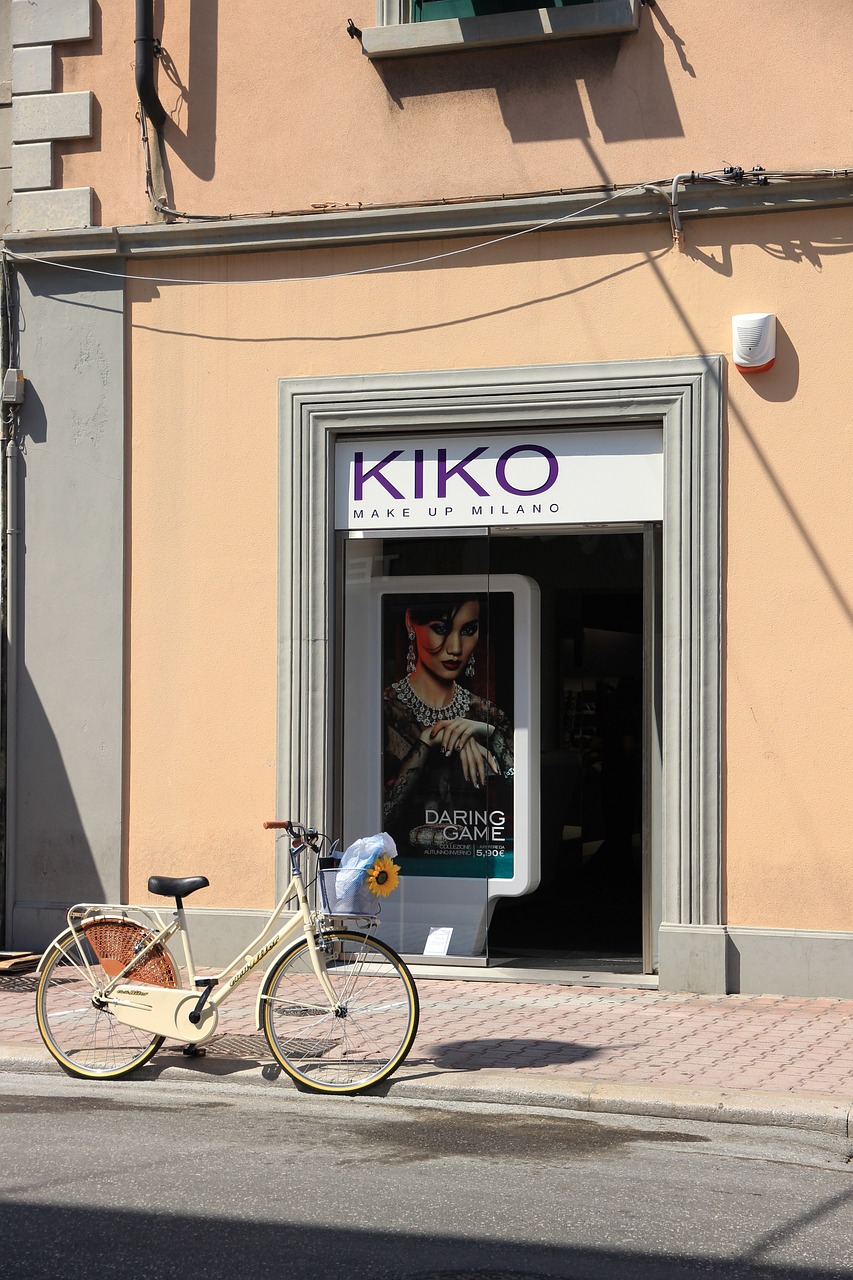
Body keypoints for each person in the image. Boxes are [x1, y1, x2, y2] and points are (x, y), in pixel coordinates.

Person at [383, 595, 513, 863]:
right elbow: (380, 818)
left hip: (477, 864)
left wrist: (490, 734)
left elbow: (525, 800)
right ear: (410, 623)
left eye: (468, 630)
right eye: (440, 629)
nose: (455, 648)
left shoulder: (487, 715)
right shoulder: (384, 711)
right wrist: (427, 742)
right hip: (399, 871)